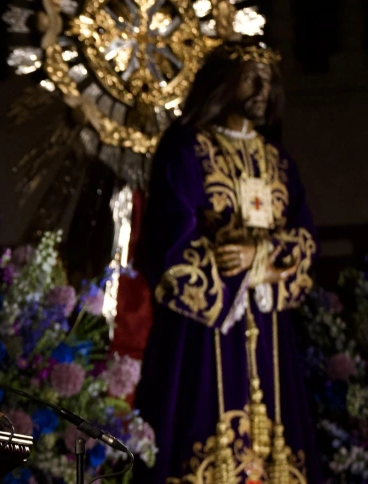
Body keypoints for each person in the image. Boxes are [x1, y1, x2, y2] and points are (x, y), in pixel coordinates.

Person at [132, 41, 320, 483]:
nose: (261, 87)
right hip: (204, 332)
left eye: (268, 79)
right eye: (251, 76)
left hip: (269, 329)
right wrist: (244, 269)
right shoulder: (187, 150)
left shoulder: (278, 161)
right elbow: (168, 239)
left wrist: (259, 258)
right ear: (222, 82)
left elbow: (306, 237)